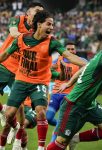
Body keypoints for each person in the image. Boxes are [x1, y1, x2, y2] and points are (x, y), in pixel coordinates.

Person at [0, 10, 86, 150]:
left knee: (41, 111)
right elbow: (4, 55)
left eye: (52, 25)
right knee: (9, 115)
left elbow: (69, 57)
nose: (51, 27)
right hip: (21, 80)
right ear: (39, 24)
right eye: (49, 24)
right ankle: (16, 127)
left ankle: (41, 147)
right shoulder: (21, 39)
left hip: (39, 82)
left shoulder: (52, 42)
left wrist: (88, 64)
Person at [0, 2, 44, 150]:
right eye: (37, 11)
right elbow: (13, 33)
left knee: (19, 106)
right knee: (11, 111)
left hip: (20, 71)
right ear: (28, 12)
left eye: (41, 12)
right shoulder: (18, 19)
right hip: (4, 64)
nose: (39, 14)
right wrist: (28, 39)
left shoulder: (39, 30)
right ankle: (4, 114)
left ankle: (18, 138)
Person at [46, 41, 84, 142]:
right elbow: (48, 68)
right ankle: (66, 128)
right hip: (55, 93)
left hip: (68, 96)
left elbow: (93, 66)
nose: (71, 51)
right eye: (68, 49)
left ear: (75, 50)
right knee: (48, 118)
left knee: (61, 122)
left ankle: (51, 145)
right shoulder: (57, 60)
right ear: (64, 51)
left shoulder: (80, 61)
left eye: (73, 49)